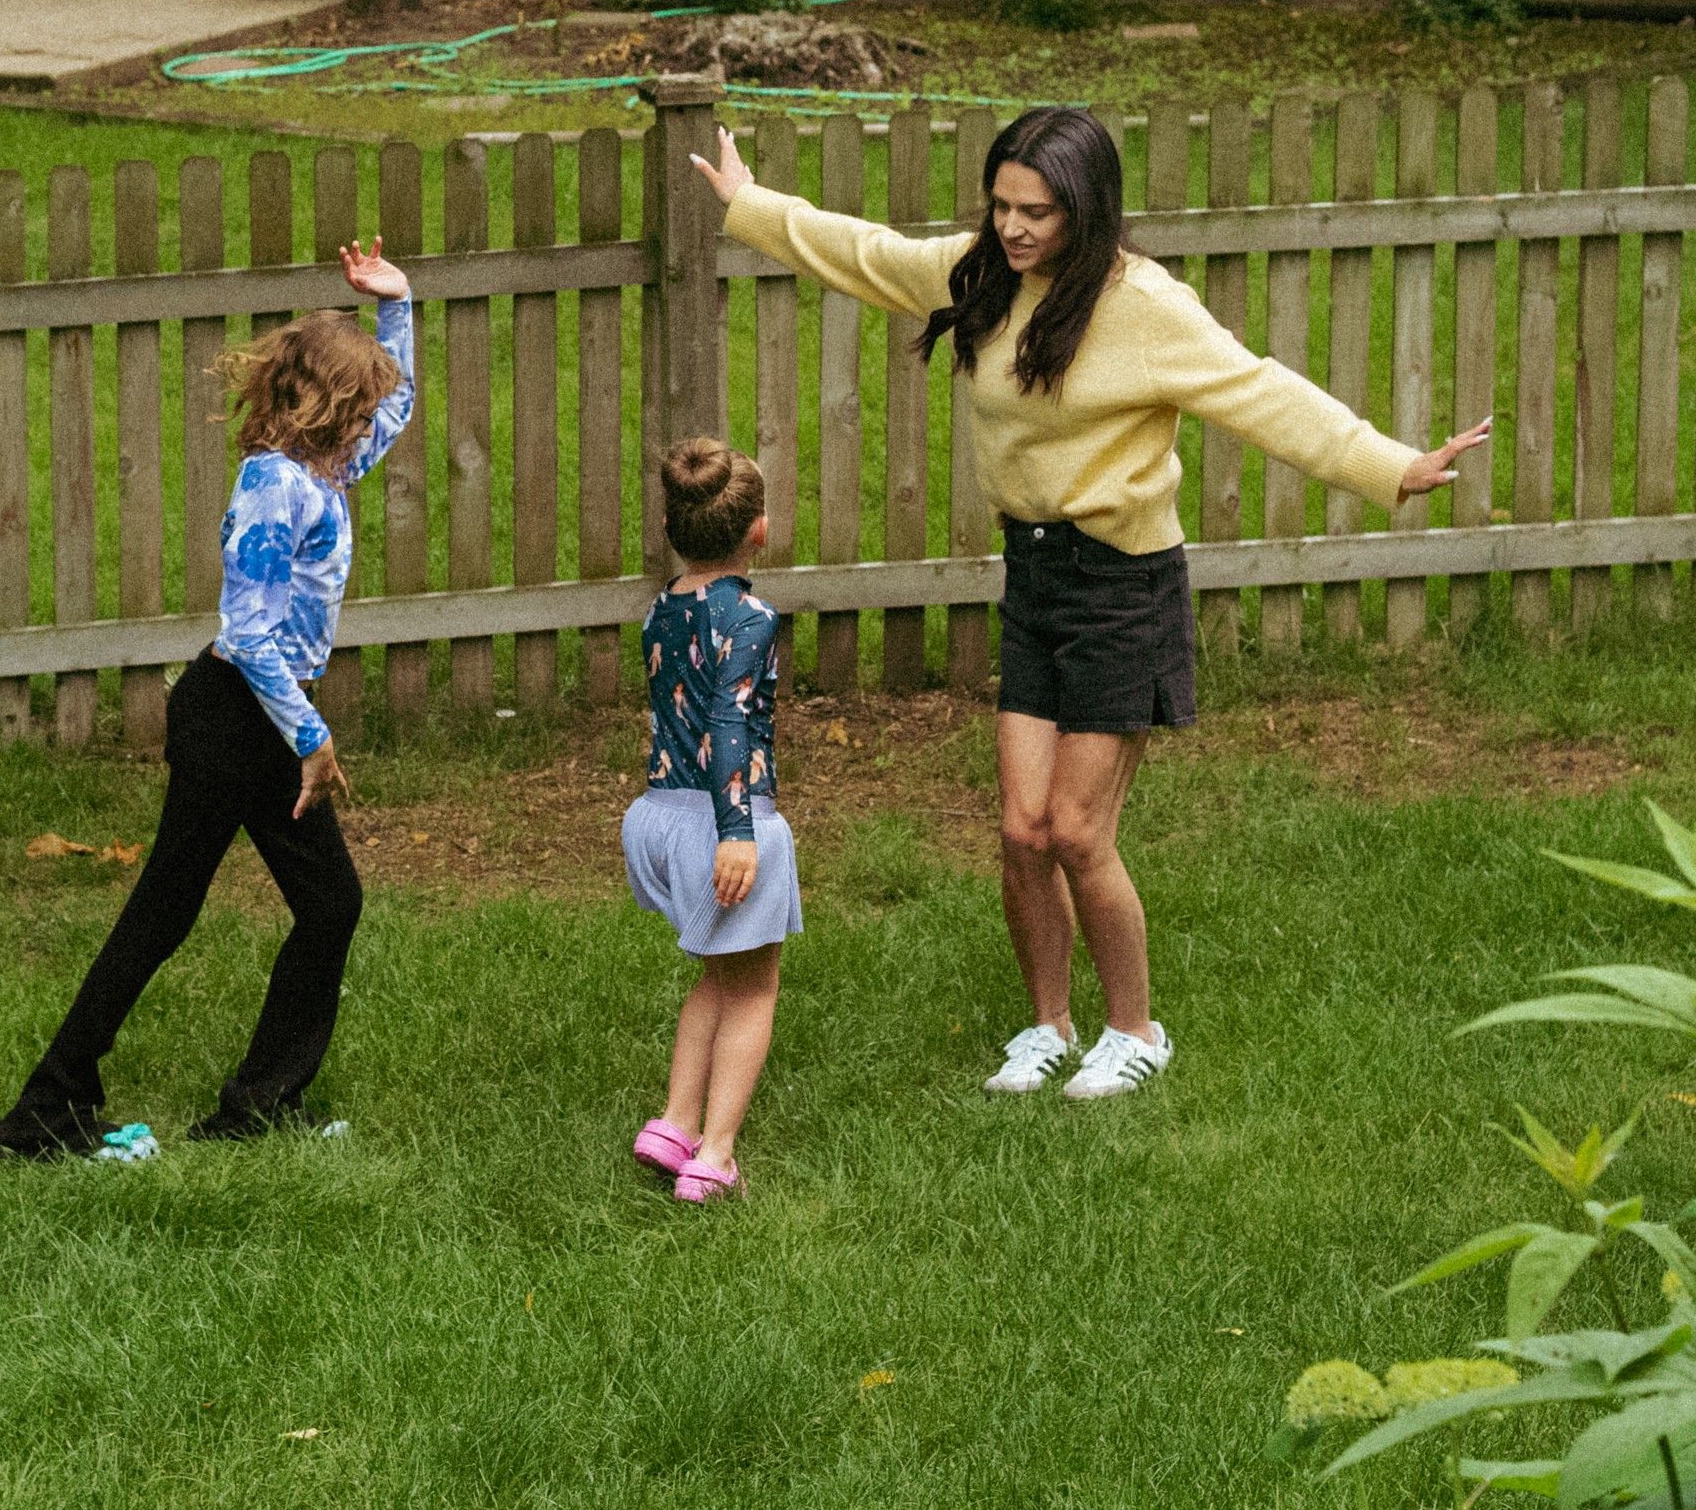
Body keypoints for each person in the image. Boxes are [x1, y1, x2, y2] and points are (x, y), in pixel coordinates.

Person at [697, 107, 1487, 1101]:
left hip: (1122, 585)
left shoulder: (1144, 306)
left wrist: (1392, 467)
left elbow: (1261, 391)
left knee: (1077, 830)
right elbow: (869, 255)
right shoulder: (982, 271)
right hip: (1035, 575)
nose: (1015, 227)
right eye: (1001, 205)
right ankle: (1046, 1027)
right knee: (1021, 829)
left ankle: (1134, 1030)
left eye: (1038, 211)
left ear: (1086, 211)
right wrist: (750, 203)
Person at [0, 244, 415, 1158]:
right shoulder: (273, 486)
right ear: (329, 408)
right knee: (182, 909)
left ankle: (252, 1104)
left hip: (259, 715)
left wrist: (397, 302)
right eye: (361, 403)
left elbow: (402, 405)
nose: (374, 416)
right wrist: (312, 736)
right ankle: (49, 1113)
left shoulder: (325, 469)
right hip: (236, 716)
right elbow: (249, 631)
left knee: (314, 904)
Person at [622, 438, 798, 1203]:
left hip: (659, 812)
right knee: (755, 987)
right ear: (757, 530)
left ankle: (672, 1122)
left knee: (715, 977)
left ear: (672, 529)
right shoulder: (752, 617)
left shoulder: (664, 605)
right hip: (721, 816)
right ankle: (716, 1154)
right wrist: (738, 830)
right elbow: (729, 721)